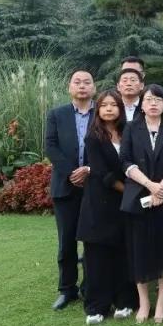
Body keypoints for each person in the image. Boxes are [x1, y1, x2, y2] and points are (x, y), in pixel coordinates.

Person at [120, 85, 163, 324]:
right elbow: (125, 161)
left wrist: (162, 187)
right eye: (149, 99)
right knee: (139, 250)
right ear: (142, 104)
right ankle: (144, 302)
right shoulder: (131, 128)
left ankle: (161, 301)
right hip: (139, 196)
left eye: (158, 99)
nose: (153, 103)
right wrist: (150, 185)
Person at [77, 90, 136, 325]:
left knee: (123, 253)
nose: (109, 109)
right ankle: (96, 306)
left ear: (120, 108)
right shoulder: (93, 137)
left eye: (114, 105)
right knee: (97, 257)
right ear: (98, 110)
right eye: (104, 105)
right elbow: (102, 173)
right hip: (100, 202)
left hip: (124, 204)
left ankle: (125, 301)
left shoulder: (128, 131)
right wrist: (129, 190)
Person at [45, 69, 96, 311]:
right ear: (70, 87)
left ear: (94, 88)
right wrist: (71, 173)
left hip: (95, 187)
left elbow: (112, 145)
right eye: (77, 82)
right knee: (66, 242)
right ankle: (67, 289)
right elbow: (51, 146)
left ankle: (90, 286)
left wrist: (88, 170)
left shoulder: (103, 112)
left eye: (87, 82)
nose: (82, 86)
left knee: (92, 240)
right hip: (65, 187)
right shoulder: (57, 114)